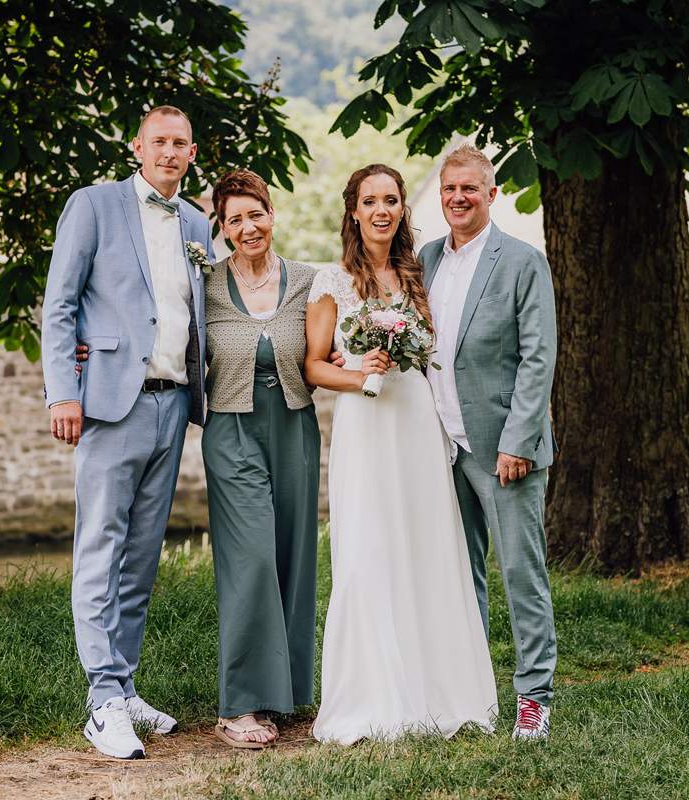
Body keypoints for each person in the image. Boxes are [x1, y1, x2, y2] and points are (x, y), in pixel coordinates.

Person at [40, 105, 213, 760]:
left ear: (193, 153)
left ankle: (127, 684)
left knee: (142, 555)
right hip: (112, 404)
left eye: (180, 144)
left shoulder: (197, 222)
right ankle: (101, 699)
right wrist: (63, 391)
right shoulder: (93, 205)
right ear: (136, 147)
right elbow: (60, 304)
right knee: (101, 548)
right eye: (158, 142)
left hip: (174, 404)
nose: (169, 152)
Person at [303, 164, 498, 744]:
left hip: (417, 421)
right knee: (369, 550)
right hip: (367, 426)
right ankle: (373, 695)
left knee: (428, 547)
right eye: (371, 201)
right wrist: (359, 369)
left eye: (392, 200)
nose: (382, 210)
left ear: (401, 211)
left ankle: (442, 691)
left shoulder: (421, 275)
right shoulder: (331, 281)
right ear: (354, 211)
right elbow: (313, 366)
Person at [419, 144, 558, 740]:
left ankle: (534, 695)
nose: (458, 198)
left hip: (502, 450)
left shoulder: (522, 261)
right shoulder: (424, 258)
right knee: (458, 574)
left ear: (491, 194)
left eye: (470, 189)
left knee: (520, 572)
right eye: (450, 188)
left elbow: (538, 356)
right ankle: (472, 691)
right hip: (439, 446)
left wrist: (518, 441)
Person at [200, 170, 320, 749]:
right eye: (234, 219)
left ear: (272, 214)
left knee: (294, 555)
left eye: (256, 214)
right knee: (250, 558)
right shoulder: (204, 286)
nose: (248, 227)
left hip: (295, 425)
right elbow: (162, 329)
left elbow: (333, 344)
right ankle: (240, 704)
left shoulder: (309, 282)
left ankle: (287, 693)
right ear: (221, 229)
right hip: (233, 429)